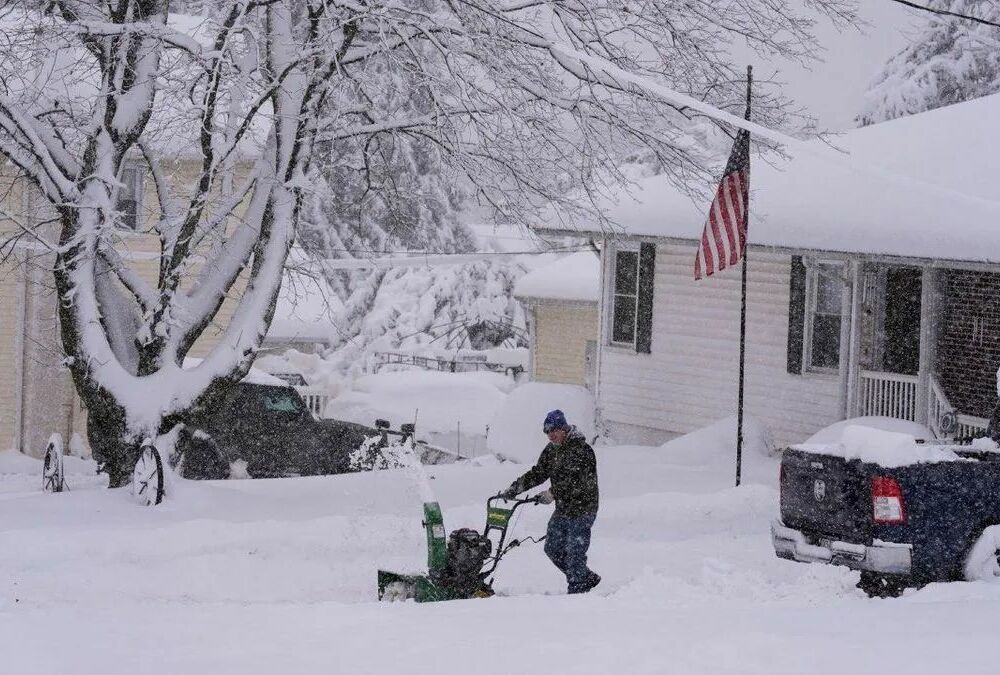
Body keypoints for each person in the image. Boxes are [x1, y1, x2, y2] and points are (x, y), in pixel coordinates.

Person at [500, 409, 601, 594]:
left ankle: (577, 592)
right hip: (563, 508)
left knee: (574, 553)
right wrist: (515, 488)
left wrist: (553, 493)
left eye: (554, 431)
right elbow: (539, 472)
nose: (550, 436)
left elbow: (577, 482)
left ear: (564, 428)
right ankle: (585, 577)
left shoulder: (581, 450)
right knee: (552, 548)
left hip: (583, 507)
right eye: (547, 432)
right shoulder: (551, 450)